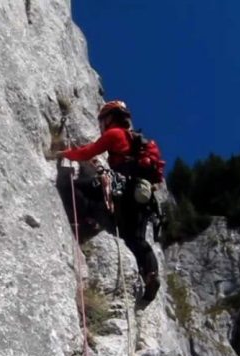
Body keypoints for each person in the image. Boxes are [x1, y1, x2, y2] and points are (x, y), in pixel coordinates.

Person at [54, 100, 162, 301]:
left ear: (110, 118)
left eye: (102, 120)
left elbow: (88, 152)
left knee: (74, 186)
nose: (101, 125)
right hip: (142, 199)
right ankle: (151, 275)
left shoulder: (115, 134)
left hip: (121, 187)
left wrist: (63, 153)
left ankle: (84, 221)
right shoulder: (135, 142)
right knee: (136, 239)